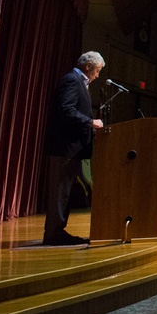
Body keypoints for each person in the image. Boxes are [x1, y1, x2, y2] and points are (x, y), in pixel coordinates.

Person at [42, 51, 105, 246]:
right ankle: (53, 234)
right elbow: (65, 110)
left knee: (66, 193)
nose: (98, 75)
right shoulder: (72, 80)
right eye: (97, 70)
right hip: (65, 149)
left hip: (73, 150)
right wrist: (90, 122)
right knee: (60, 193)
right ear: (88, 67)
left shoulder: (80, 83)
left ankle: (58, 231)